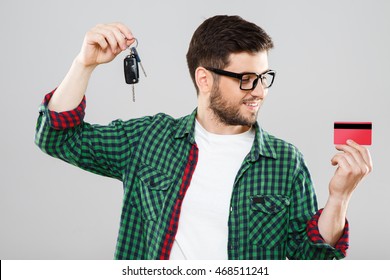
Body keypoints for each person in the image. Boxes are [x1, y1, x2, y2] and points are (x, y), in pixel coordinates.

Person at [35, 15, 372, 260]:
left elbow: (309, 261)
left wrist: (339, 197)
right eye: (246, 79)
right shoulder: (149, 140)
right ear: (204, 79)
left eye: (264, 77)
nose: (259, 91)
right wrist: (85, 64)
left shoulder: (285, 160)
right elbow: (56, 137)